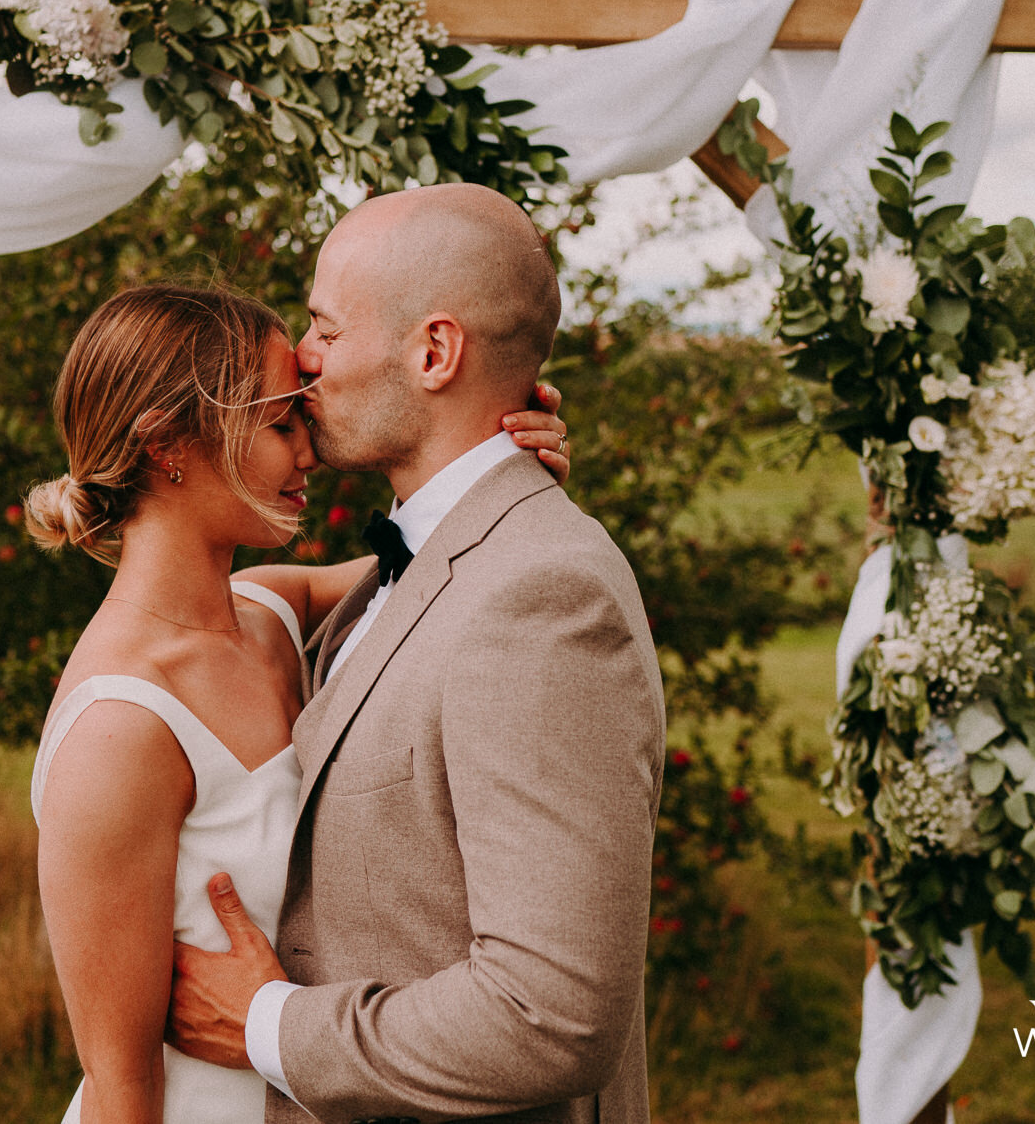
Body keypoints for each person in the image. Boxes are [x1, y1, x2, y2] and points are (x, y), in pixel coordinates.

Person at [165, 184, 665, 1124]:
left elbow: (551, 1013)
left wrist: (269, 1026)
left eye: (324, 327)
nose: (298, 362)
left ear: (434, 352)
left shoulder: (542, 599)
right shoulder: (437, 561)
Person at [25, 278, 571, 1124]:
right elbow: (120, 1085)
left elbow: (452, 561)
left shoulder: (278, 611)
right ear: (169, 444)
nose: (308, 450)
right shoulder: (121, 727)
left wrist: (502, 460)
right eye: (280, 422)